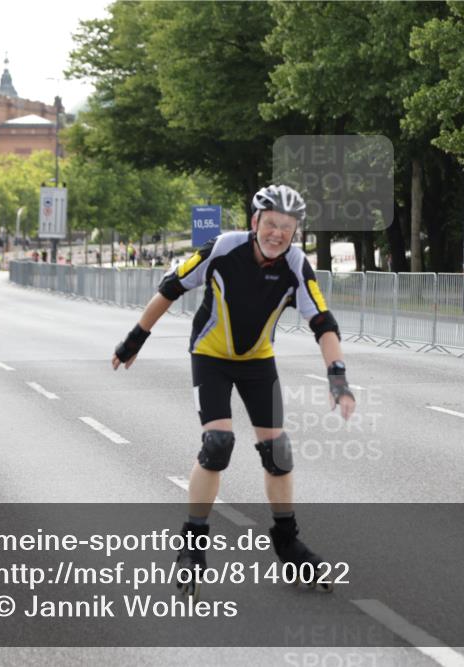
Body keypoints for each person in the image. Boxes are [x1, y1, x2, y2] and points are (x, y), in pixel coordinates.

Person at [111, 185, 356, 596]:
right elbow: (171, 287)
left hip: (258, 361)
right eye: (271, 223)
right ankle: (192, 545)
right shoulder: (224, 248)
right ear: (255, 221)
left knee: (278, 452)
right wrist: (135, 339)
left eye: (287, 227)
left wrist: (338, 378)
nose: (278, 233)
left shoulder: (296, 264)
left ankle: (287, 541)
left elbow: (323, 323)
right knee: (218, 444)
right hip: (211, 357)